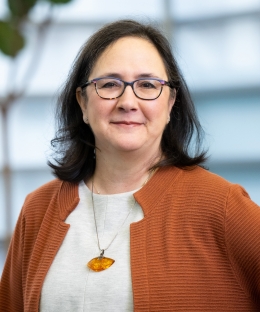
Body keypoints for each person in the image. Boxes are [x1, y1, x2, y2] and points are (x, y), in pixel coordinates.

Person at [0, 19, 260, 312]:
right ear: (82, 102)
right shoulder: (37, 209)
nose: (128, 101)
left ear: (170, 103)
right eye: (109, 84)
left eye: (147, 85)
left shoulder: (221, 206)